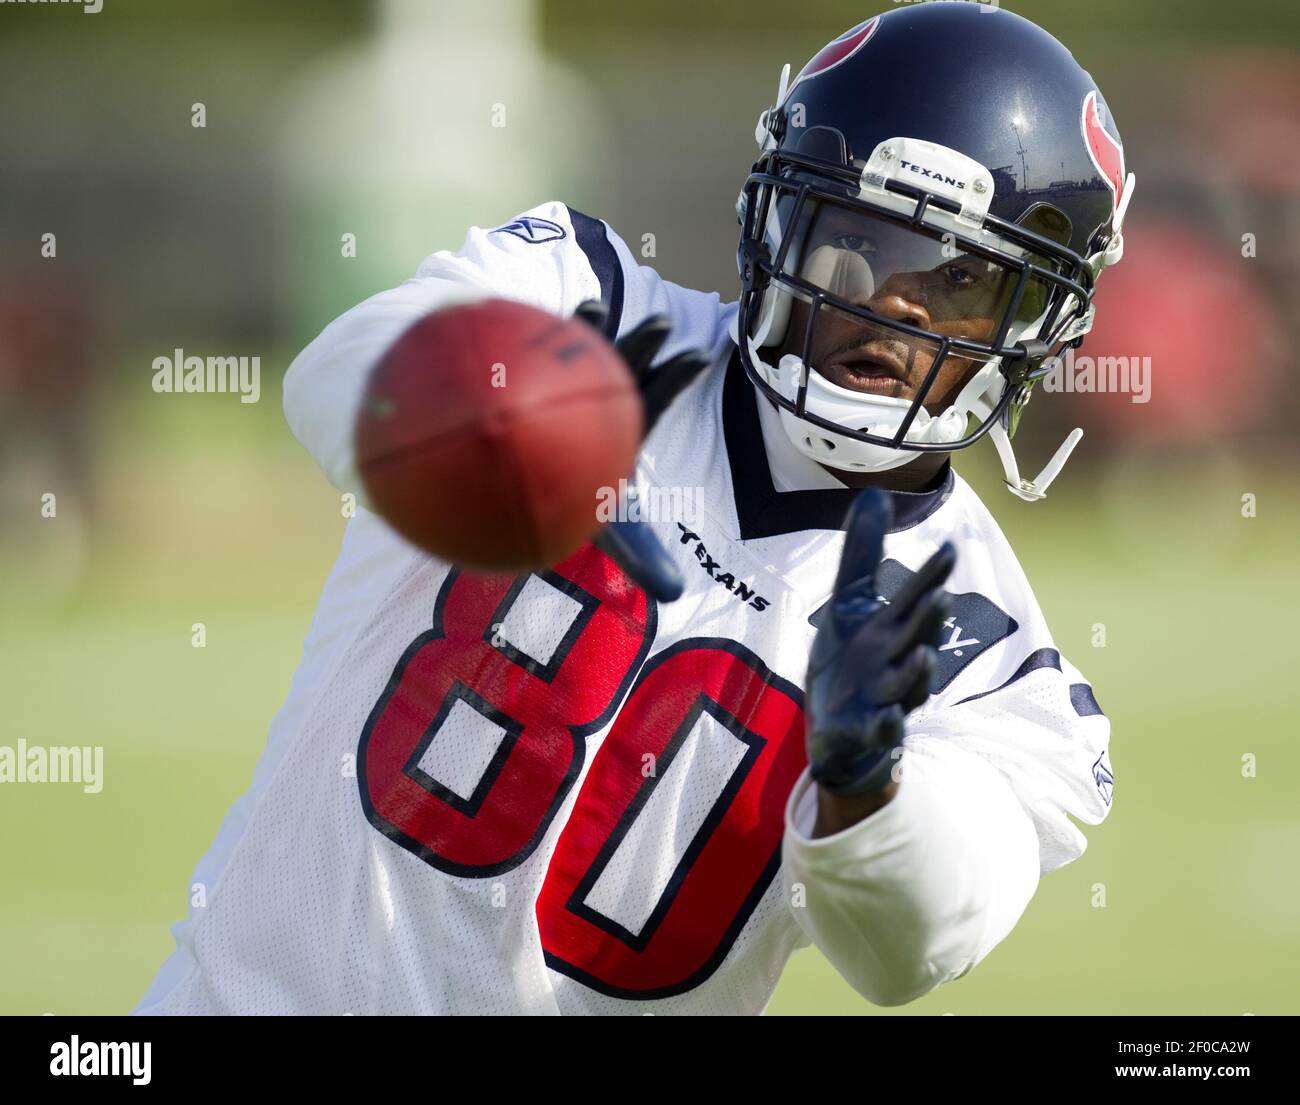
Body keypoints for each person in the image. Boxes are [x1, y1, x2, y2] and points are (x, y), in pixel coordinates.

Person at [136, 4, 1131, 1016]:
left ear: (1040, 328)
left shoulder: (990, 653)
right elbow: (341, 379)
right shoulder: (585, 303)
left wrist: (867, 786)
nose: (903, 303)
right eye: (865, 241)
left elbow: (912, 947)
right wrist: (515, 443)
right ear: (781, 220)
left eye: (962, 280)